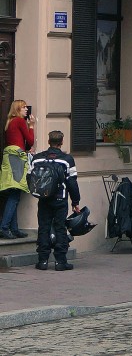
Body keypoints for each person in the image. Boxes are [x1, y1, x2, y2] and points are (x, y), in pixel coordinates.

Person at [30, 130, 80, 271]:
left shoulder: (38, 159)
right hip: (60, 199)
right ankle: (60, 262)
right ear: (62, 142)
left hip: (44, 198)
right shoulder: (67, 159)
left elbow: (30, 177)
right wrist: (75, 202)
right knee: (60, 228)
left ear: (48, 141)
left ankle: (43, 261)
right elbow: (72, 183)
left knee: (43, 228)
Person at [1, 99, 35, 239]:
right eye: (24, 107)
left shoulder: (10, 122)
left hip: (9, 156)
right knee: (15, 193)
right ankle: (4, 227)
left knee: (13, 193)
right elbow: (30, 141)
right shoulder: (20, 121)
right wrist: (31, 126)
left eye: (27, 107)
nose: (26, 109)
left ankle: (14, 229)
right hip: (16, 157)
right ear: (17, 109)